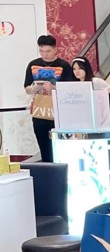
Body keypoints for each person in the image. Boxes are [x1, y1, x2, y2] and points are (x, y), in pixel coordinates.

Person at [23, 34, 74, 162]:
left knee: (60, 149)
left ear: (55, 49)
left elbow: (70, 89)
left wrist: (54, 88)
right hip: (39, 112)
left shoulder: (64, 65)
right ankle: (47, 169)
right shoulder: (33, 65)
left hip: (59, 113)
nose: (45, 54)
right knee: (44, 147)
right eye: (41, 51)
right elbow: (27, 88)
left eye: (48, 51)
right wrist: (34, 88)